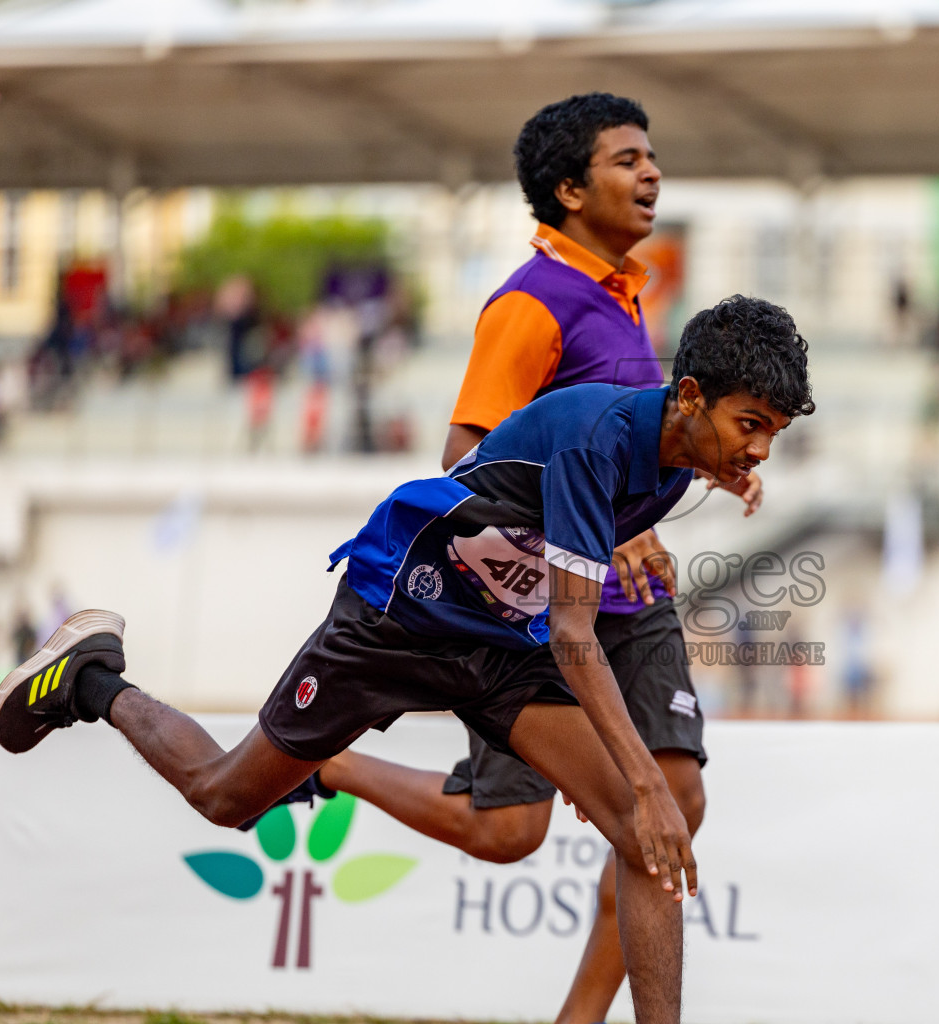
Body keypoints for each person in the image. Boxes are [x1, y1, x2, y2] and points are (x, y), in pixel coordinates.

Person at [0, 294, 814, 1024]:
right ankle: (92, 677)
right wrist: (638, 774)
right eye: (751, 427)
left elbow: (558, 611)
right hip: (398, 615)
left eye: (774, 434)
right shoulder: (597, 437)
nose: (761, 454)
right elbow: (574, 631)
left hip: (497, 643)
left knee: (643, 835)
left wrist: (622, 779)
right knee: (225, 797)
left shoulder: (678, 464)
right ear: (692, 396)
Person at [308, 93, 758, 1024]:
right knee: (510, 831)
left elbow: (633, 450)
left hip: (636, 605)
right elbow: (464, 459)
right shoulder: (529, 304)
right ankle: (335, 765)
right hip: (543, 610)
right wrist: (606, 528)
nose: (651, 172)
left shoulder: (627, 296)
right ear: (566, 188)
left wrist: (673, 502)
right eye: (626, 159)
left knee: (674, 800)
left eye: (652, 155)